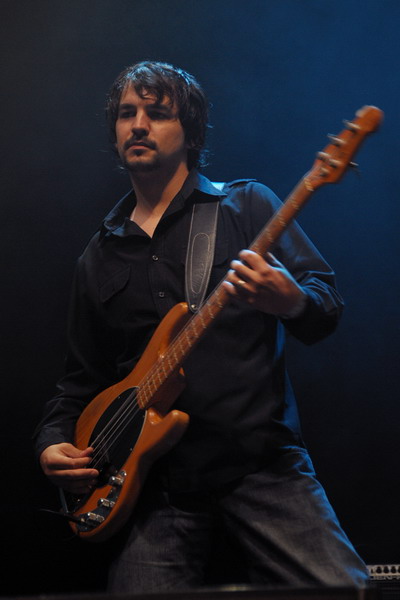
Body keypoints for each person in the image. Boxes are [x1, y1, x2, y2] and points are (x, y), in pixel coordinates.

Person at [34, 61, 369, 592]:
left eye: (157, 113)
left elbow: (326, 305)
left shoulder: (245, 205)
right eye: (126, 113)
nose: (137, 125)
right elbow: (80, 380)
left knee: (343, 590)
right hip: (155, 485)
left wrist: (291, 300)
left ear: (190, 132)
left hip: (259, 466)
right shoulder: (97, 256)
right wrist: (52, 443)